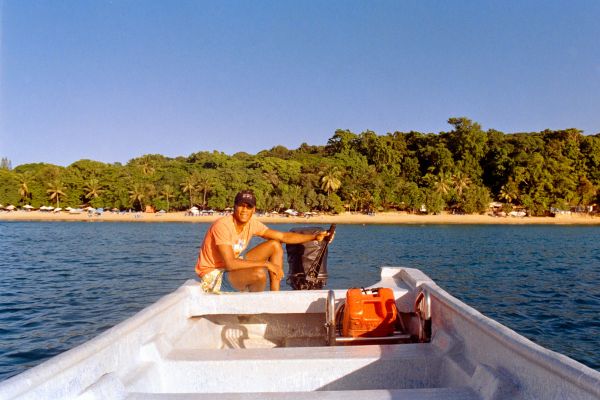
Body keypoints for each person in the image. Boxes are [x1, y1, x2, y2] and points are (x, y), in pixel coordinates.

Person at [195, 190, 332, 293]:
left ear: (253, 209)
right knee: (259, 273)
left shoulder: (251, 224)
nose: (244, 210)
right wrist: (267, 264)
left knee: (274, 244)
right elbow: (230, 264)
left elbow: (283, 237)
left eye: (248, 207)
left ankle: (274, 297)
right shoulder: (223, 225)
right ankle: (252, 313)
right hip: (213, 275)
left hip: (228, 270)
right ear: (234, 207)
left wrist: (315, 237)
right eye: (241, 206)